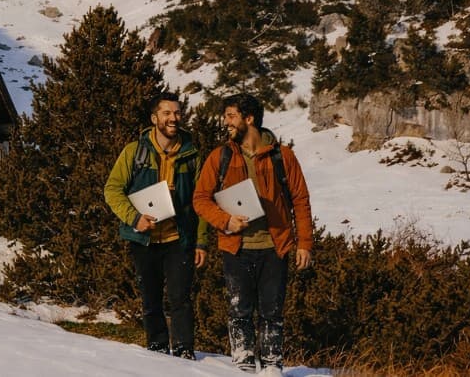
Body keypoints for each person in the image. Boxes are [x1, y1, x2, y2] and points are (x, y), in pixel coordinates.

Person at [193, 93, 314, 374]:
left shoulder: (282, 156)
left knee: (272, 312)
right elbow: (200, 198)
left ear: (249, 119)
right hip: (236, 247)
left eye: (231, 116)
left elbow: (300, 200)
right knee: (239, 311)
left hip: (276, 246)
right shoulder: (220, 156)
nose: (226, 123)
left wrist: (304, 243)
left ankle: (272, 366)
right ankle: (243, 365)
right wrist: (225, 221)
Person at [104, 92, 207, 360]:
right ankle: (158, 351)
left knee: (181, 300)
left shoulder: (192, 154)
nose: (173, 118)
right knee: (150, 301)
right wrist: (133, 217)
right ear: (154, 118)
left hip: (179, 238)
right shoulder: (134, 152)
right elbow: (112, 190)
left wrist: (201, 241)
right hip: (144, 239)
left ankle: (184, 352)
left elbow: (202, 200)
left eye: (177, 113)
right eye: (167, 113)